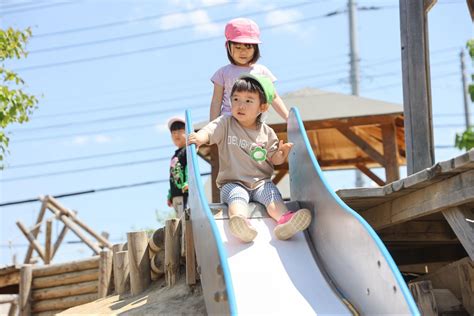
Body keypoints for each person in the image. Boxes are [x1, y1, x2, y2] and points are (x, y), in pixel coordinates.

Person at [189, 74, 311, 243]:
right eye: (236, 99)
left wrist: (280, 155)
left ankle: (285, 221)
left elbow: (273, 159)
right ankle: (240, 223)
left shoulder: (267, 132)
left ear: (262, 107)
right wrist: (199, 138)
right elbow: (209, 130)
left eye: (248, 101)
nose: (241, 105)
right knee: (237, 198)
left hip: (261, 182)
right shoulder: (226, 123)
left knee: (273, 197)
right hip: (232, 182)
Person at [209, 17, 289, 122]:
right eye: (238, 47)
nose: (243, 52)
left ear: (255, 48)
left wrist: (288, 118)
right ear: (227, 47)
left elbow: (273, 97)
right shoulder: (223, 73)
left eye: (248, 47)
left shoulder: (262, 71)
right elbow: (216, 101)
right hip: (229, 123)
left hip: (254, 123)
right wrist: (212, 127)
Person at [167, 116, 188, 217]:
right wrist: (170, 194)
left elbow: (189, 168)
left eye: (180, 131)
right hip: (176, 195)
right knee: (178, 219)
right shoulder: (174, 156)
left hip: (185, 193)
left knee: (184, 219)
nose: (176, 134)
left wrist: (188, 182)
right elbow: (173, 176)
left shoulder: (187, 151)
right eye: (173, 133)